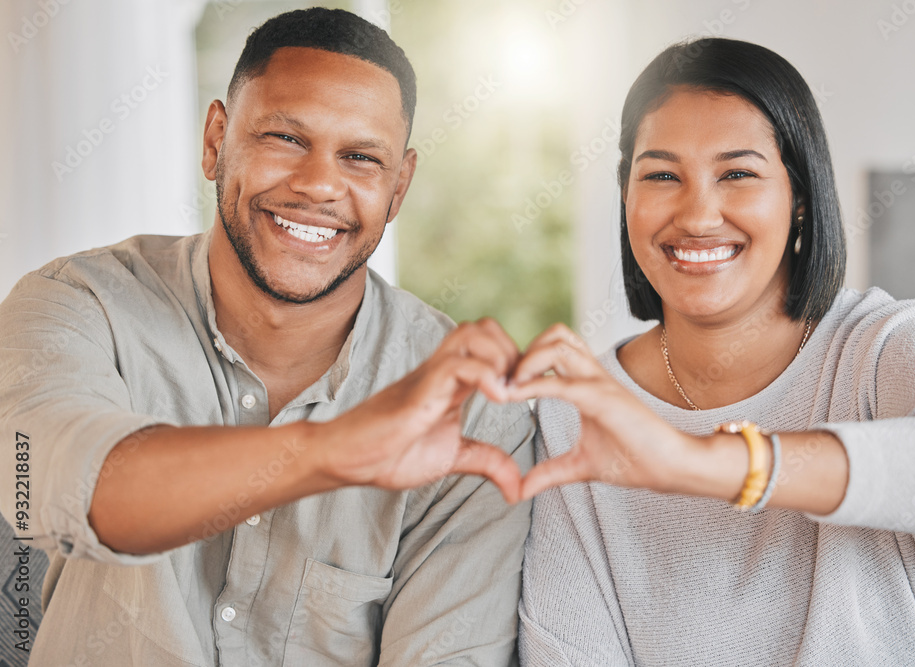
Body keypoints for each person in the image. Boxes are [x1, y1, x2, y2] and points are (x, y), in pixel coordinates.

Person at [0, 9, 535, 666]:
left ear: (399, 188)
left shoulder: (477, 413)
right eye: (284, 137)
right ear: (215, 140)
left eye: (361, 158)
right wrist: (335, 449)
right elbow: (47, 489)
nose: (317, 185)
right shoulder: (76, 304)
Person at [511, 38, 915, 666]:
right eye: (661, 175)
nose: (698, 214)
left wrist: (700, 462)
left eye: (737, 174)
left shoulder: (889, 346)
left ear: (798, 197)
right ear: (626, 195)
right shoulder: (573, 418)